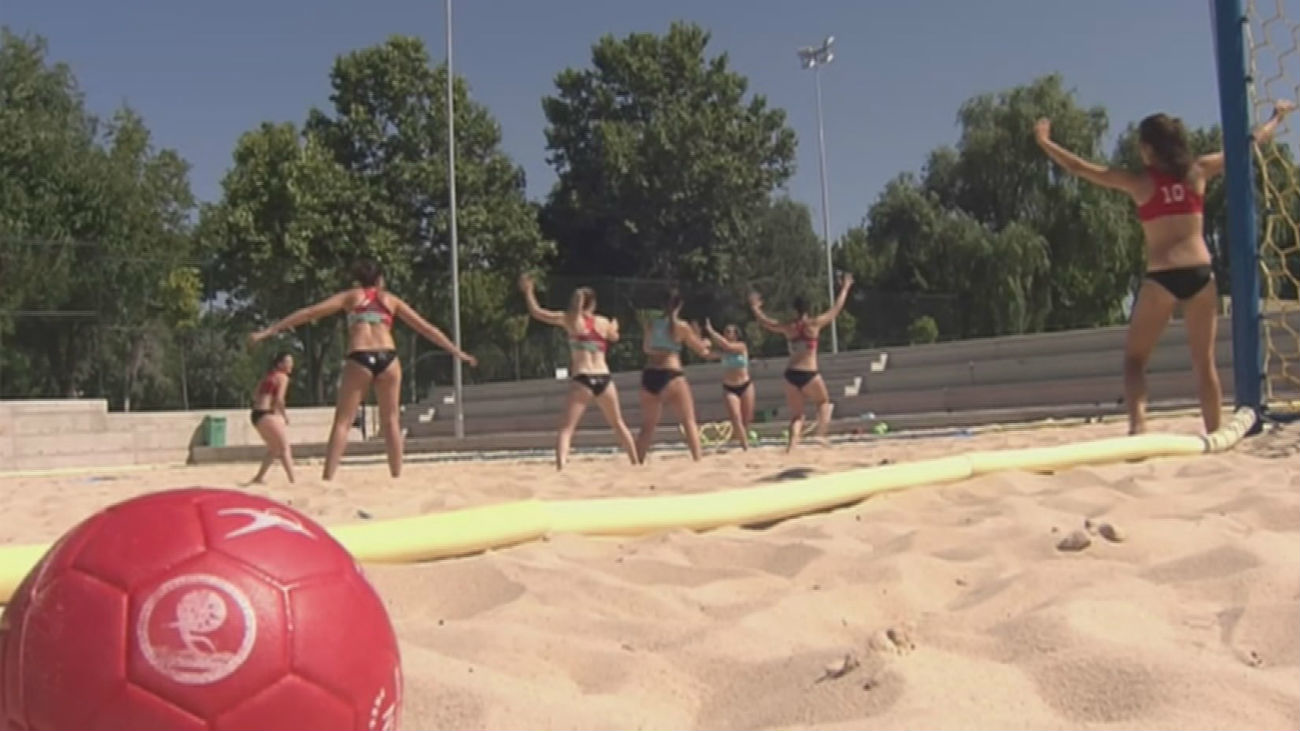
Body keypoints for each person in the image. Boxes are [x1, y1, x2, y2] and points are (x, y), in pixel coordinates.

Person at [1034, 100, 1294, 435]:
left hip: (1162, 277)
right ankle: (1214, 432)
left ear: (1147, 149)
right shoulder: (1199, 171)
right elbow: (1249, 144)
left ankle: (1139, 427)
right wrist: (1276, 116)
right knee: (1204, 363)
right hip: (1201, 273)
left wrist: (1045, 142)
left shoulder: (1140, 183)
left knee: (1134, 360)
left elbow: (1081, 168)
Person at [249, 259, 477, 480]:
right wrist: (458, 352)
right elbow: (426, 328)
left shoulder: (351, 297)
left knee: (343, 422)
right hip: (388, 357)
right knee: (391, 421)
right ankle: (396, 474)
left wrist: (268, 331)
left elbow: (309, 313)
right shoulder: (391, 301)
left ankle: (328, 476)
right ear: (379, 279)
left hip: (360, 356)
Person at [519, 274, 639, 470]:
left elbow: (537, 312)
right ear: (594, 304)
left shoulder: (569, 320)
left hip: (583, 377)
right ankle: (635, 462)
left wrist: (528, 292)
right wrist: (615, 326)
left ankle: (561, 466)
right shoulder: (602, 322)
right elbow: (615, 336)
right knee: (618, 424)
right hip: (604, 377)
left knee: (567, 429)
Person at [749, 273, 854, 451]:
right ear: (808, 309)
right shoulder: (814, 324)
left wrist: (755, 308)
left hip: (790, 374)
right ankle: (820, 435)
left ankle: (791, 447)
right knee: (823, 402)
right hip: (809, 373)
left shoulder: (788, 327)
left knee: (797, 416)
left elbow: (766, 322)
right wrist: (845, 288)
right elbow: (836, 309)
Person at [636, 291, 712, 463]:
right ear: (680, 306)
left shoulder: (651, 324)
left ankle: (637, 462)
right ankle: (697, 460)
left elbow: (647, 349)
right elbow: (701, 350)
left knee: (647, 426)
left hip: (650, 373)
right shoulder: (682, 327)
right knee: (688, 422)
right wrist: (705, 341)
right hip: (672, 373)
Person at [703, 319, 756, 450]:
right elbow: (706, 355)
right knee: (735, 417)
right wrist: (703, 343)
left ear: (736, 334)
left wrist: (711, 331)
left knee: (746, 419)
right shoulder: (722, 352)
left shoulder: (741, 347)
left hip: (745, 385)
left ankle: (736, 439)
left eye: (729, 332)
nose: (726, 333)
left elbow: (727, 346)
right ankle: (745, 447)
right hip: (730, 388)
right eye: (725, 332)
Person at [247, 352, 296, 484]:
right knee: (284, 447)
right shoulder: (283, 377)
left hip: (256, 414)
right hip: (266, 413)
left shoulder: (268, 376)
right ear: (280, 364)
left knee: (274, 448)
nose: (291, 365)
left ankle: (258, 478)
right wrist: (284, 415)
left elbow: (255, 395)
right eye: (288, 362)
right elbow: (280, 399)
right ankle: (293, 480)